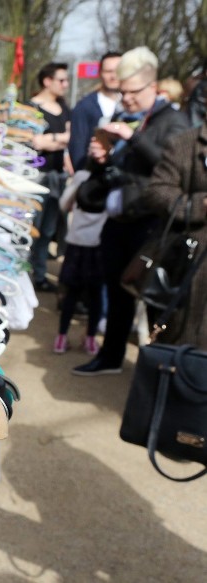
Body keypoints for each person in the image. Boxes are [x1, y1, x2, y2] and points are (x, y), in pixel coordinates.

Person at [72, 46, 190, 376]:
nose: (125, 99)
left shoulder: (174, 123)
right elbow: (126, 171)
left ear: (153, 87)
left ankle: (158, 371)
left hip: (152, 227)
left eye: (131, 93)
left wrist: (131, 138)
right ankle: (110, 357)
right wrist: (103, 158)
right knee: (117, 293)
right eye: (121, 93)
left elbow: (170, 170)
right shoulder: (132, 117)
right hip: (120, 221)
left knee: (153, 301)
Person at [141, 119, 207, 347]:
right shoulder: (183, 144)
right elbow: (157, 193)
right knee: (183, 348)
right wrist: (202, 203)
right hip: (190, 265)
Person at [27, 62, 72, 292]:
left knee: (47, 230)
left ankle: (41, 274)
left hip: (58, 178)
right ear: (47, 81)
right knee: (30, 228)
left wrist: (51, 140)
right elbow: (34, 142)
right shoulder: (31, 108)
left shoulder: (65, 108)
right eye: (62, 80)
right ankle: (24, 275)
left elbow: (69, 139)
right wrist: (61, 138)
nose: (66, 84)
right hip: (35, 177)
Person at [53, 177, 107, 355]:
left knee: (71, 294)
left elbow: (63, 205)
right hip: (98, 247)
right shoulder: (112, 182)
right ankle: (90, 340)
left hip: (76, 245)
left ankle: (61, 338)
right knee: (96, 296)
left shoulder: (81, 178)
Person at [68, 52, 122, 172]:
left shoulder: (130, 104)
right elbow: (77, 149)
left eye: (118, 70)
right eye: (108, 71)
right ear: (100, 73)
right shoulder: (84, 107)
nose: (113, 76)